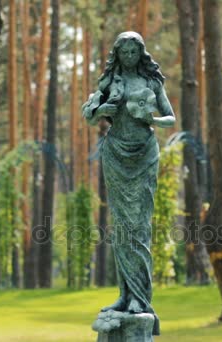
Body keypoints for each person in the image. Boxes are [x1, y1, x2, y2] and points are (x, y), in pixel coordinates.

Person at [82, 31, 175, 334]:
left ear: (141, 53)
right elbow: (90, 116)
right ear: (118, 55)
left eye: (135, 52)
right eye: (125, 53)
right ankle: (126, 296)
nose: (130, 57)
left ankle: (140, 299)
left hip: (145, 155)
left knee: (140, 225)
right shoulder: (109, 83)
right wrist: (101, 112)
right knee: (121, 226)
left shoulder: (152, 83)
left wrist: (151, 121)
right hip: (116, 154)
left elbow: (170, 118)